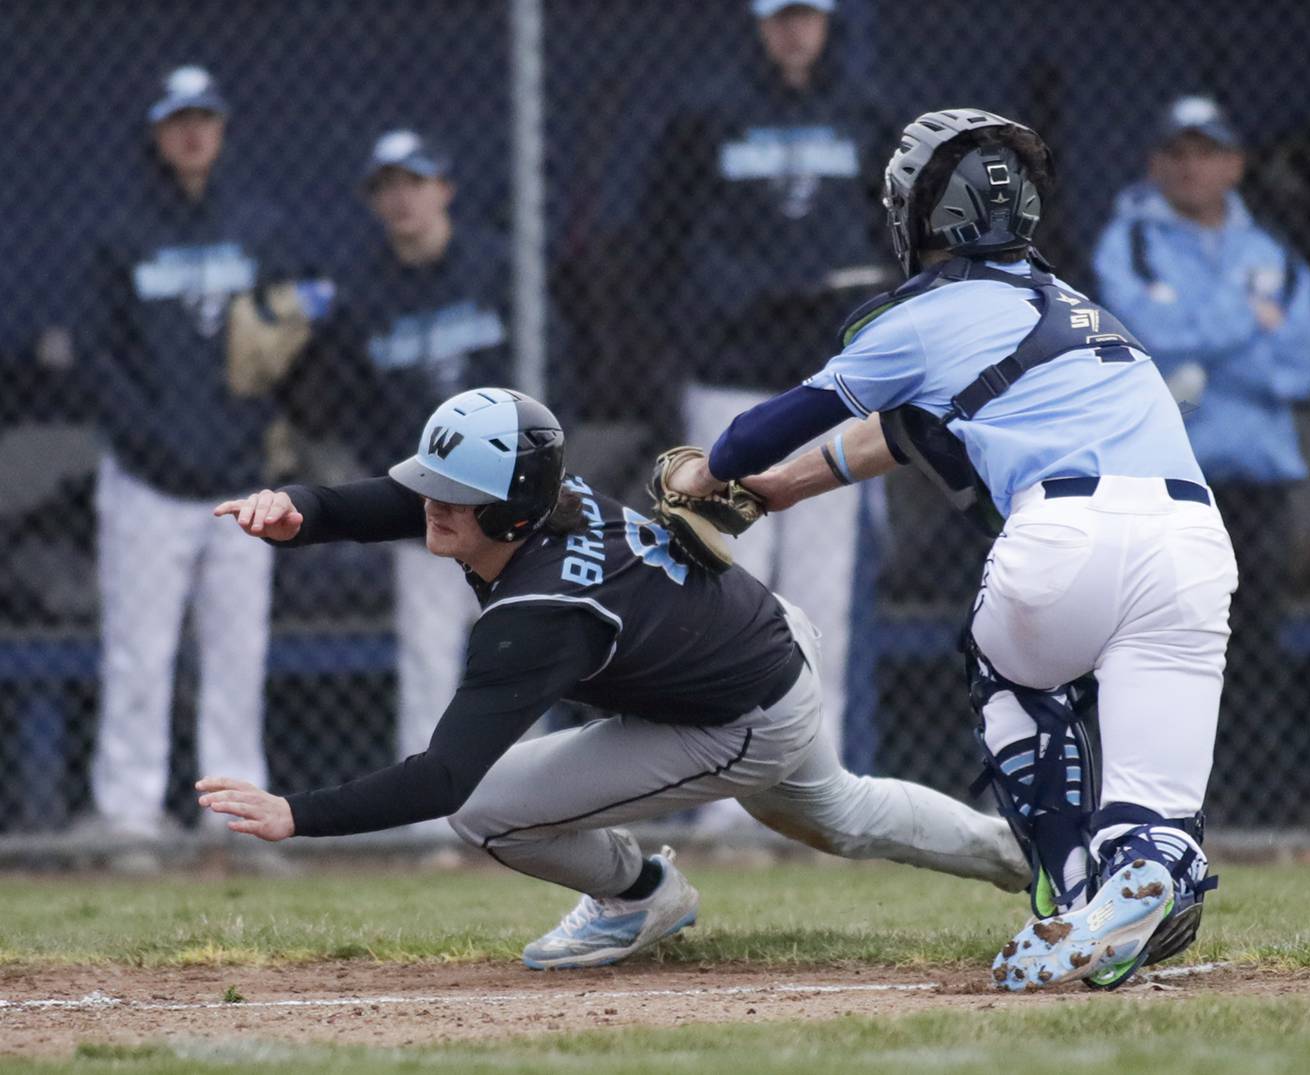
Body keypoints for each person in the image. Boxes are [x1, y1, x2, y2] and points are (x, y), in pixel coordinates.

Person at [661, 109, 1238, 990]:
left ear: (922, 213)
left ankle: (1074, 889)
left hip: (1063, 534)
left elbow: (765, 429)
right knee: (1154, 811)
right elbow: (901, 434)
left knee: (1007, 667)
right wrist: (781, 492)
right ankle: (1148, 867)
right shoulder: (1085, 311)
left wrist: (717, 471)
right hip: (1194, 544)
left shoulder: (918, 315)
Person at [201, 387, 1027, 970]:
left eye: (454, 494)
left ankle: (640, 894)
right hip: (760, 643)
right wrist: (300, 509)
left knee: (484, 810)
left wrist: (295, 814)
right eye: (432, 483)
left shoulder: (541, 613)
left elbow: (443, 778)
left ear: (514, 510)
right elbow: (387, 501)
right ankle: (1034, 855)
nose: (430, 504)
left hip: (741, 713)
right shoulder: (539, 502)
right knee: (844, 812)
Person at [645, 0, 895, 766]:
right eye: (781, 17)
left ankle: (815, 777)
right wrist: (733, 296)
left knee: (823, 596)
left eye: (808, 17)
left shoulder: (864, 110)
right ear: (760, 24)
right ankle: (726, 785)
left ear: (826, 23)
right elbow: (661, 231)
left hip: (831, 385)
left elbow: (891, 232)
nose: (795, 30)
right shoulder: (708, 110)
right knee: (730, 584)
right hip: (731, 376)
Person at [79, 65, 322, 848]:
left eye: (205, 119)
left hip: (238, 480)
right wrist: (152, 439)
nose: (193, 133)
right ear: (157, 131)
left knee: (237, 656)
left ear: (221, 130)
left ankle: (233, 822)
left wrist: (261, 430)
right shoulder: (119, 230)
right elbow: (97, 356)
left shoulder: (258, 225)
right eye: (178, 120)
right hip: (148, 481)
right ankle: (128, 817)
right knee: (139, 655)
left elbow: (291, 343)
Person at [1091, 95, 1310, 730]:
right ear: (1154, 165)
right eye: (1178, 153)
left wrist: (1199, 350)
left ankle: (1256, 804)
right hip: (1169, 475)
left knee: (1252, 643)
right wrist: (1250, 322)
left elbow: (1299, 366)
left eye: (1208, 153)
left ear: (1236, 165)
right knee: (1160, 639)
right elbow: (1146, 338)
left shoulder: (1274, 249)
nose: (1192, 167)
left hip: (1256, 476)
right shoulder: (1128, 240)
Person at [298, 129, 510, 763]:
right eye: (387, 189)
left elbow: (554, 375)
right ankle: (432, 817)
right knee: (428, 655)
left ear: (444, 189)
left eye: (414, 184)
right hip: (429, 505)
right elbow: (347, 405)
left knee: (520, 653)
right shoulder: (359, 292)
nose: (402, 200)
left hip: (508, 501)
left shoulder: (497, 267)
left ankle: (530, 804)